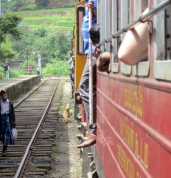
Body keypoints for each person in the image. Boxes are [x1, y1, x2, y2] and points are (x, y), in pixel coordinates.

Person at [77, 0, 98, 149]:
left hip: (94, 51)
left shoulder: (95, 2)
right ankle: (94, 127)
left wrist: (96, 14)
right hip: (89, 52)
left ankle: (94, 128)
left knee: (84, 86)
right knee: (86, 86)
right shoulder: (87, 2)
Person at [0, 90, 16, 157]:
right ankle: (4, 146)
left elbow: (12, 113)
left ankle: (4, 149)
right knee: (2, 136)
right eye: (2, 94)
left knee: (7, 135)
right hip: (1, 120)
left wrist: (14, 122)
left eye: (4, 93)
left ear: (6, 94)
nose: (3, 95)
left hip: (8, 120)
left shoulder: (10, 103)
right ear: (0, 96)